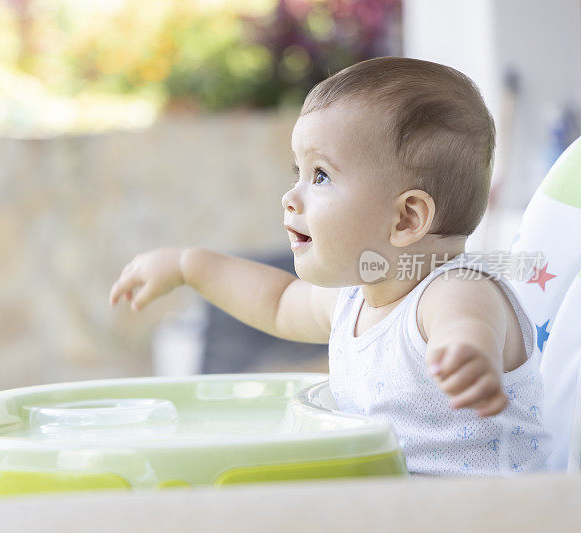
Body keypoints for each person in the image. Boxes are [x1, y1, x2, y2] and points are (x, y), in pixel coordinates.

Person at [109, 57, 550, 476]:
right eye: (296, 172)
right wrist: (190, 265)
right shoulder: (353, 297)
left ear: (406, 218)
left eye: (320, 176)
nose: (291, 196)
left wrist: (468, 357)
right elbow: (276, 301)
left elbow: (466, 326)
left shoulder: (453, 289)